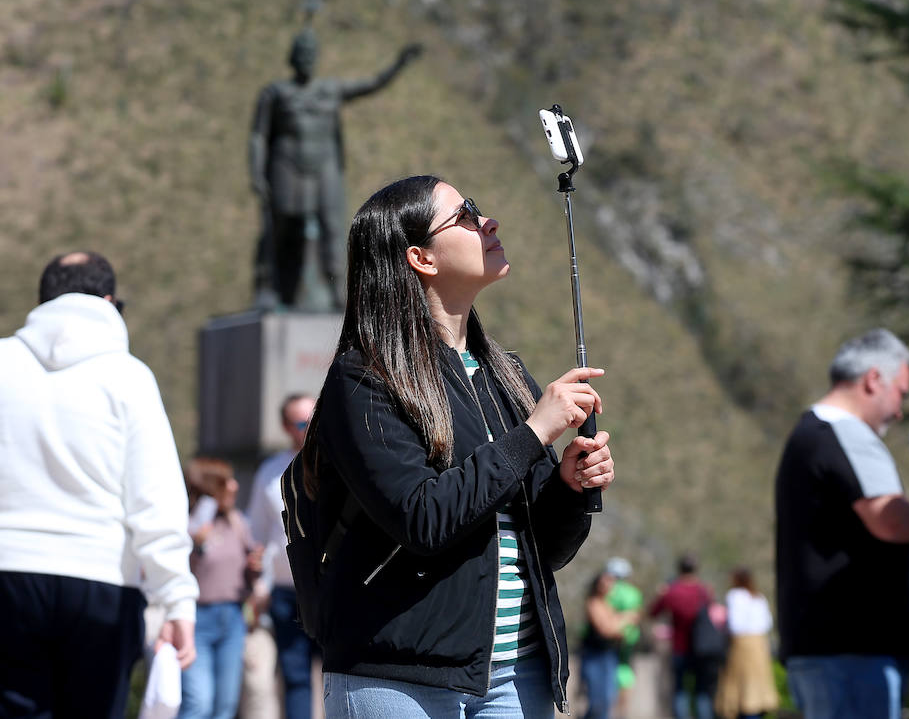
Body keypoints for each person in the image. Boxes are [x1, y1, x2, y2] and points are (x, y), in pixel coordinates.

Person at [297, 175, 616, 717]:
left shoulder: (506, 374)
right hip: (399, 678)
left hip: (518, 674)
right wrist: (533, 433)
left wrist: (569, 487)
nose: (487, 222)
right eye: (466, 215)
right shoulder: (364, 379)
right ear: (421, 258)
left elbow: (545, 550)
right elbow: (423, 519)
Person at [0, 250, 199, 717]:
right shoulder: (130, 377)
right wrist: (177, 599)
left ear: (43, 300)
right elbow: (157, 501)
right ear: (109, 303)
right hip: (101, 579)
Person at [775, 327, 909, 719]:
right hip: (852, 651)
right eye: (901, 393)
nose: (899, 411)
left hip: (825, 648)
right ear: (873, 380)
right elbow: (893, 522)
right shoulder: (845, 433)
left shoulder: (810, 433)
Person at [249, 29, 422, 310]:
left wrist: (399, 64)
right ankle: (268, 286)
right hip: (286, 166)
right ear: (292, 58)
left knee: (332, 227)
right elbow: (258, 135)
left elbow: (373, 84)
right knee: (278, 227)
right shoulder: (275, 93)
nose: (306, 58)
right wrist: (257, 172)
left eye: (310, 53)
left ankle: (337, 292)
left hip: (324, 167)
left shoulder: (330, 90)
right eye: (301, 53)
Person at [245, 393, 316, 719]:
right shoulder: (271, 473)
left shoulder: (343, 462)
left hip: (334, 588)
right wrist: (259, 585)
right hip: (288, 592)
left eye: (315, 419)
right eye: (302, 424)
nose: (311, 428)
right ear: (286, 427)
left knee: (341, 676)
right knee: (296, 677)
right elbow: (257, 536)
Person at [180, 457, 262, 719]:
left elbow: (249, 574)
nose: (234, 486)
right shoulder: (189, 525)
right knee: (198, 703)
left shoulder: (237, 523)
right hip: (197, 620)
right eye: (226, 481)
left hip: (232, 619)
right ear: (210, 486)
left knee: (225, 706)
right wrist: (195, 546)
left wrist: (255, 567)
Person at [649, 553, 717, 719]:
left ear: (679, 569)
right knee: (702, 692)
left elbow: (653, 612)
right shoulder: (703, 591)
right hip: (702, 648)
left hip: (679, 648)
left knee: (680, 691)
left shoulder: (672, 591)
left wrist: (660, 594)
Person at [715, 568, 778, 719]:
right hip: (760, 644)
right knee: (756, 687)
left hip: (742, 645)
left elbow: (735, 625)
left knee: (741, 688)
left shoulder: (735, 596)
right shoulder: (758, 597)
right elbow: (767, 623)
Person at [580, 570, 631, 719]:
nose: (608, 585)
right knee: (597, 700)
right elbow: (606, 630)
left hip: (609, 655)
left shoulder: (608, 604)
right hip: (595, 657)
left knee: (607, 698)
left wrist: (618, 623)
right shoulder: (593, 603)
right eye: (605, 582)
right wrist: (624, 620)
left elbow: (616, 630)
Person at [603, 557, 643, 715]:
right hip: (629, 640)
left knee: (608, 673)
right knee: (625, 672)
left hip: (610, 639)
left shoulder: (608, 591)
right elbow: (636, 615)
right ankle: (622, 711)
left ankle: (609, 711)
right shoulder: (634, 592)